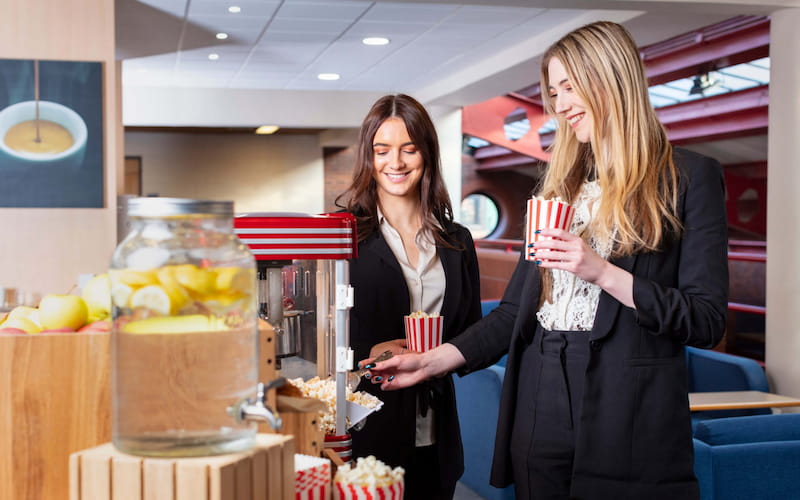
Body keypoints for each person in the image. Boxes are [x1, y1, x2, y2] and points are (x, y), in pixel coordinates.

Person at [366, 21, 728, 500]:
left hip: (629, 408)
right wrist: (431, 363)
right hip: (540, 393)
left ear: (611, 80)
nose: (559, 105)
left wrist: (601, 272)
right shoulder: (557, 190)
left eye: (569, 87)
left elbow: (705, 320)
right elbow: (515, 313)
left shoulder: (689, 178)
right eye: (553, 91)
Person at [336, 93, 482, 499]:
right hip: (366, 427)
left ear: (427, 154)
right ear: (369, 156)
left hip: (437, 428)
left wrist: (442, 355)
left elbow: (470, 332)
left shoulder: (457, 241)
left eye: (409, 149)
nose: (395, 163)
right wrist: (370, 350)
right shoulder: (342, 235)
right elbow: (320, 335)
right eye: (382, 150)